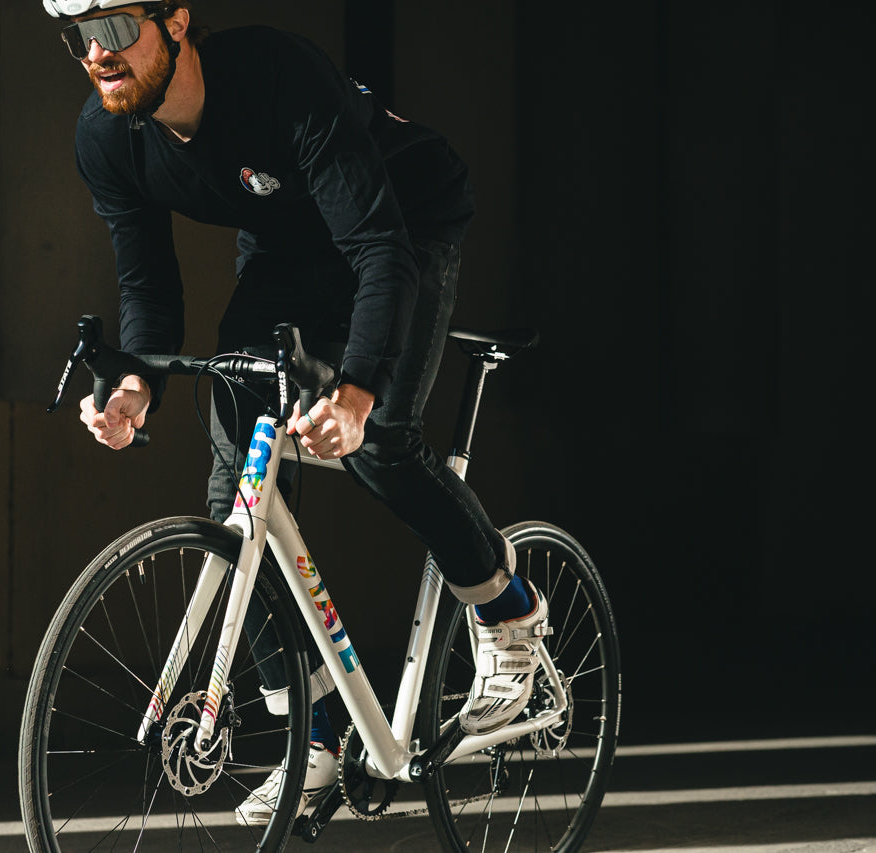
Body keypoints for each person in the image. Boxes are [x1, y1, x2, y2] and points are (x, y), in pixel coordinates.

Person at [42, 0, 550, 825]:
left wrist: (353, 392)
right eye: (79, 38)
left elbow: (380, 247)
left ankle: (507, 605)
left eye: (113, 29)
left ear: (175, 21)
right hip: (288, 245)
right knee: (234, 478)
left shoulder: (278, 78)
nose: (96, 55)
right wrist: (134, 384)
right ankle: (312, 735)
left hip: (402, 218)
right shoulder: (107, 138)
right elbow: (147, 287)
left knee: (380, 442)